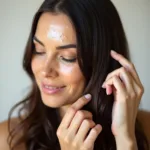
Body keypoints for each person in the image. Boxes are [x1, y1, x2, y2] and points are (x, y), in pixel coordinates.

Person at [0, 0, 149, 150]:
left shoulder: (146, 128)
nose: (45, 70)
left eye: (67, 57)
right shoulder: (8, 140)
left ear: (101, 60)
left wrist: (126, 140)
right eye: (39, 50)